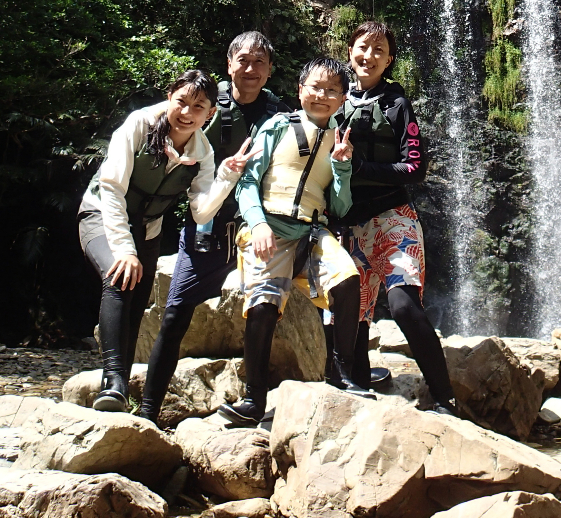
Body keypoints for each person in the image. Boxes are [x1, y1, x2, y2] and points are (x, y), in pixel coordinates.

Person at [78, 70, 253, 413]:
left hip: (148, 230)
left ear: (210, 114)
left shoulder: (202, 150)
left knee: (134, 306)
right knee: (118, 277)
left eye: (198, 107)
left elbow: (202, 213)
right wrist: (125, 249)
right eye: (181, 101)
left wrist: (227, 176)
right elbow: (112, 188)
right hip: (102, 214)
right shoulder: (139, 125)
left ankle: (119, 394)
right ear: (169, 96)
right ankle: (113, 382)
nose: (187, 112)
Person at [137, 32, 287, 426]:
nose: (250, 69)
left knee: (263, 309)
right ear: (229, 64)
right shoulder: (207, 105)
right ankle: (148, 410)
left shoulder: (280, 114)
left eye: (259, 62)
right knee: (175, 314)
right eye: (244, 61)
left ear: (270, 70)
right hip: (208, 223)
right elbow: (168, 120)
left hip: (259, 227)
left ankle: (256, 402)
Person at [217, 57, 369, 427]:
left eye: (333, 90)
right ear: (300, 90)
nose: (322, 95)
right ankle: (254, 398)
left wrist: (343, 168)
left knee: (349, 282)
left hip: (311, 231)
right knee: (264, 306)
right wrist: (258, 224)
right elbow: (248, 183)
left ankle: (341, 372)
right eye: (315, 87)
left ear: (343, 97)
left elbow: (340, 206)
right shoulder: (276, 127)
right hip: (269, 227)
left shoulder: (341, 138)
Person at [339, 21, 458, 416]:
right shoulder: (333, 98)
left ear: (389, 60)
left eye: (379, 50)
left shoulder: (396, 103)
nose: (369, 56)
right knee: (351, 317)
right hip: (348, 226)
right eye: (362, 47)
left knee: (405, 306)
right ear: (350, 50)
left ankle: (445, 398)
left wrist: (362, 168)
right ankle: (355, 388)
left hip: (393, 217)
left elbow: (416, 167)